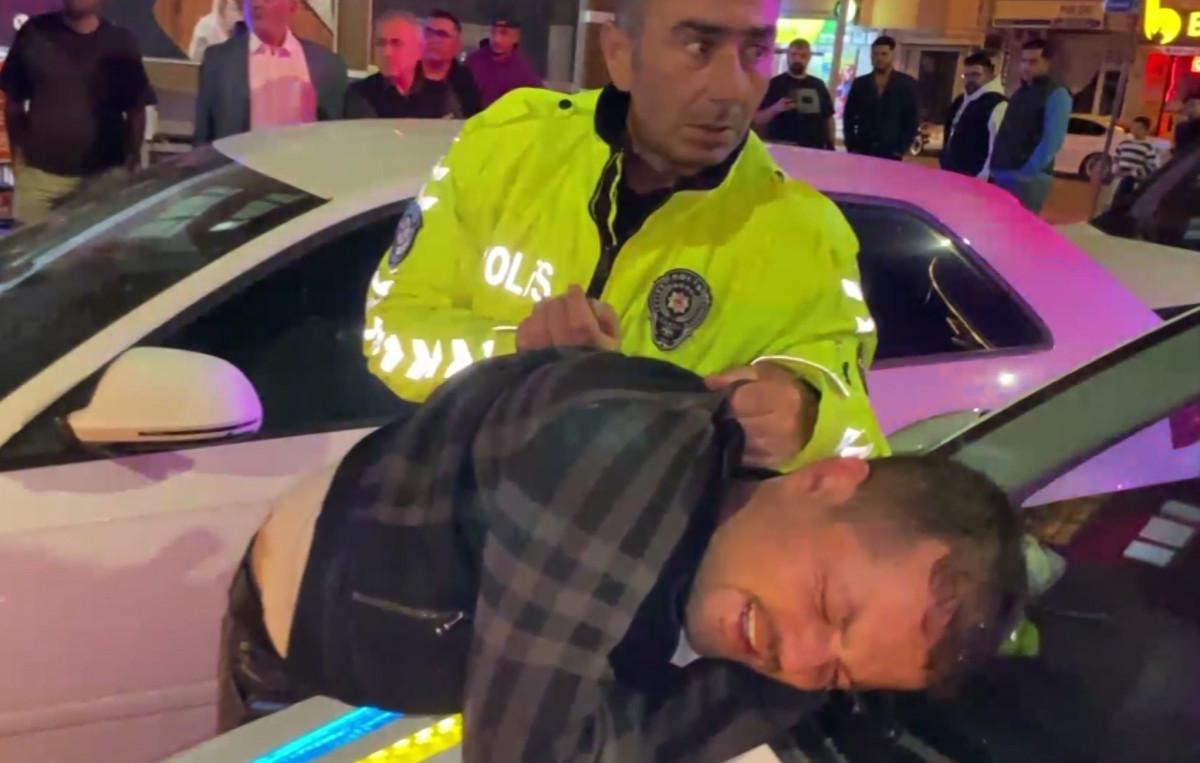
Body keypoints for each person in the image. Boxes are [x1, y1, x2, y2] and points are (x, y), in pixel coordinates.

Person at [218, 348, 1028, 761]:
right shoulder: (618, 452)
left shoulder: (775, 628)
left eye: (842, 674)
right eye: (830, 604)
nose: (802, 658)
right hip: (299, 676)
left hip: (400, 697)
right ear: (823, 479)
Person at [365, 0, 889, 474]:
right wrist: (518, 352)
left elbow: (862, 441)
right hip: (469, 527)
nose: (732, 89)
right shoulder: (505, 150)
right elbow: (389, 334)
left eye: (755, 51)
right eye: (699, 46)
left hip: (651, 547)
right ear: (619, 53)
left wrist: (807, 416)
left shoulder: (806, 233)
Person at [0, 0, 156, 227]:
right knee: (28, 249)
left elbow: (136, 112)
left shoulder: (121, 42)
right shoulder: (34, 33)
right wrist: (20, 162)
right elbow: (13, 103)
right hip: (39, 180)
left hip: (101, 181)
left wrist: (127, 167)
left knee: (97, 250)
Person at [193, 0, 348, 145]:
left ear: (292, 5)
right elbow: (203, 142)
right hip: (241, 163)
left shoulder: (327, 64)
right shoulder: (219, 61)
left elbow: (335, 141)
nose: (256, 4)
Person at [990, 39, 1071, 214]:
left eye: (1033, 62)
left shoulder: (1056, 93)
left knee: (1018, 225)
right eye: (1023, 61)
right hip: (1004, 172)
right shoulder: (1021, 92)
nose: (1026, 67)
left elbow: (1052, 141)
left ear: (1047, 63)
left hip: (1027, 178)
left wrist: (1027, 172)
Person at [344, 12, 442, 120]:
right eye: (381, 43)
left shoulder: (440, 94)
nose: (387, 52)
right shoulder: (360, 94)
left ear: (419, 50)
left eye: (396, 43)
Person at [843, 36, 919, 160]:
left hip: (891, 150)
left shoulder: (906, 84)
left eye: (884, 54)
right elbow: (849, 116)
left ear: (892, 55)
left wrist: (901, 148)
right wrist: (851, 146)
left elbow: (912, 119)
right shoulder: (860, 83)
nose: (879, 58)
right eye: (875, 54)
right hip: (863, 148)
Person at [755, 39, 835, 150]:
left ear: (809, 58)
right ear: (787, 56)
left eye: (803, 56)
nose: (797, 59)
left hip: (815, 148)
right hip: (781, 146)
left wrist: (831, 144)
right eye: (793, 55)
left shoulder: (818, 85)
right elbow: (756, 120)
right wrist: (775, 108)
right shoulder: (773, 84)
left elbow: (828, 117)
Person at [940, 51, 1007, 179]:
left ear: (990, 74)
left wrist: (983, 178)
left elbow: (997, 148)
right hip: (951, 174)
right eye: (966, 75)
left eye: (976, 75)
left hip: (975, 178)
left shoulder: (998, 104)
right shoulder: (961, 100)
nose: (970, 80)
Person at [465, 13, 543, 108]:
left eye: (504, 33)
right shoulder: (474, 62)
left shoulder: (524, 72)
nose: (497, 39)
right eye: (494, 33)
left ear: (516, 38)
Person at [421, 9, 483, 118]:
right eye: (428, 32)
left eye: (442, 34)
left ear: (457, 44)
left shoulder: (465, 82)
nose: (433, 39)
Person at [1111, 116, 1160, 205]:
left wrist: (1132, 174)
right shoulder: (1124, 144)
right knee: (1116, 203)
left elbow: (1152, 166)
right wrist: (1115, 168)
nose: (1135, 130)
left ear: (1146, 130)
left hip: (1135, 183)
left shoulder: (1149, 147)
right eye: (1133, 126)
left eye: (1139, 128)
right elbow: (1116, 158)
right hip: (1119, 180)